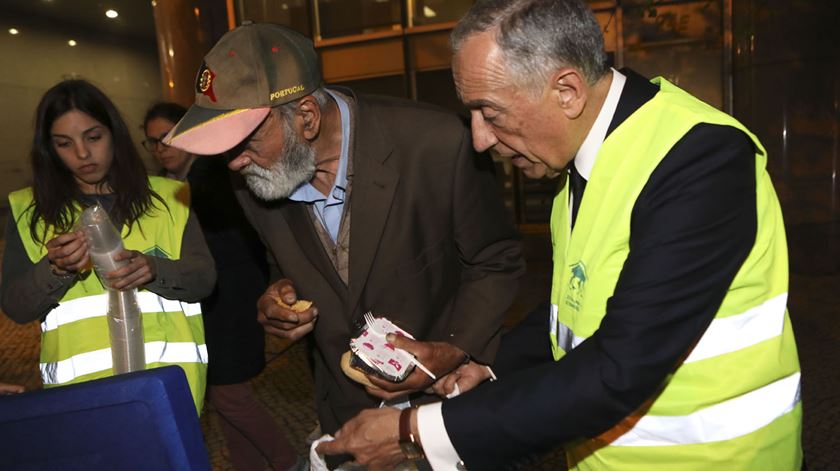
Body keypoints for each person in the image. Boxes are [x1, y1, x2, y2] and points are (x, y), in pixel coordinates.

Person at [318, 0, 803, 469]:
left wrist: (417, 431)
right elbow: (570, 308)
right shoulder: (584, 156)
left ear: (567, 91)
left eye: (489, 112)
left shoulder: (700, 161)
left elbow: (619, 368)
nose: (480, 139)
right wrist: (491, 366)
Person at [163, 21, 525, 445]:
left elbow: (496, 260)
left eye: (244, 142)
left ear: (307, 118)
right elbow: (291, 264)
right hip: (346, 412)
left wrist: (453, 350)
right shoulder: (256, 176)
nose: (234, 163)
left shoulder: (437, 144)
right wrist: (278, 294)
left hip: (445, 407)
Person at [0, 79, 215, 412]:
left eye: (93, 137)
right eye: (64, 144)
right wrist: (55, 269)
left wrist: (154, 269)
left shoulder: (169, 197)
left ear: (115, 134)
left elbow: (204, 279)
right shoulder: (29, 211)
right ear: (49, 150)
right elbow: (16, 307)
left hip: (169, 389)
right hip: (82, 400)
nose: (83, 153)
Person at [143, 103, 299, 470]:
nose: (161, 147)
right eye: (152, 141)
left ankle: (289, 461)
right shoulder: (177, 186)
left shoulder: (212, 180)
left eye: (167, 137)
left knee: (229, 396)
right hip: (213, 305)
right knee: (221, 395)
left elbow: (237, 244)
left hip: (231, 303)